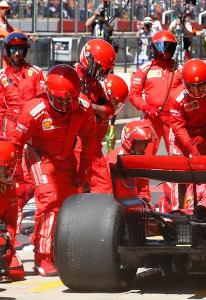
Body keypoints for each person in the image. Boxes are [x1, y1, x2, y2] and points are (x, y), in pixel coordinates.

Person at [8, 65, 96, 276]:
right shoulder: (34, 109)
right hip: (38, 155)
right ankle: (43, 258)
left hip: (65, 159)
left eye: (69, 100)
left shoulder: (84, 106)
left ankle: (58, 250)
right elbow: (15, 143)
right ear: (49, 95)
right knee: (50, 199)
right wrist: (15, 176)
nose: (65, 105)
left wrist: (83, 170)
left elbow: (90, 140)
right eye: (60, 100)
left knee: (68, 206)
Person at [0, 32, 45, 235]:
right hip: (10, 135)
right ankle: (11, 225)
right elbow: (0, 108)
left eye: (20, 50)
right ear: (7, 52)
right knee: (11, 180)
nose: (16, 53)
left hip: (33, 134)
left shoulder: (36, 73)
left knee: (32, 181)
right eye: (13, 50)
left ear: (25, 51)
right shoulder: (1, 76)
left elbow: (43, 102)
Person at [129, 30, 182, 155]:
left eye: (168, 46)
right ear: (153, 48)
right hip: (151, 118)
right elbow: (133, 94)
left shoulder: (180, 69)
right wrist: (147, 108)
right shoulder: (145, 68)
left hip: (173, 119)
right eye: (161, 46)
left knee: (178, 155)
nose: (164, 50)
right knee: (146, 154)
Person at [75, 38, 116, 194]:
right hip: (72, 142)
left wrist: (89, 107)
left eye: (103, 71)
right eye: (98, 68)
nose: (99, 74)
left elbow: (109, 110)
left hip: (91, 142)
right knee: (75, 187)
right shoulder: (70, 76)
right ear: (88, 58)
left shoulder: (95, 85)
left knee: (104, 187)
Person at [167, 58, 206, 157]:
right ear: (185, 83)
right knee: (180, 167)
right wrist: (189, 145)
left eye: (201, 85)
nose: (197, 91)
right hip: (182, 134)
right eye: (192, 86)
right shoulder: (176, 98)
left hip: (204, 131)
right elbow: (178, 126)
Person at [107, 120, 156, 204]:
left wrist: (144, 200)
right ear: (129, 142)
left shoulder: (141, 160)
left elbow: (143, 188)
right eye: (139, 144)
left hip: (132, 203)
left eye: (144, 144)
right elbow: (106, 189)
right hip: (113, 204)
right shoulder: (114, 159)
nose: (142, 148)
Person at [0, 138, 24, 282]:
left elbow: (11, 225)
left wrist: (7, 250)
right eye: (2, 169)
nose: (7, 173)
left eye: (8, 168)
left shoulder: (9, 192)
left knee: (16, 270)